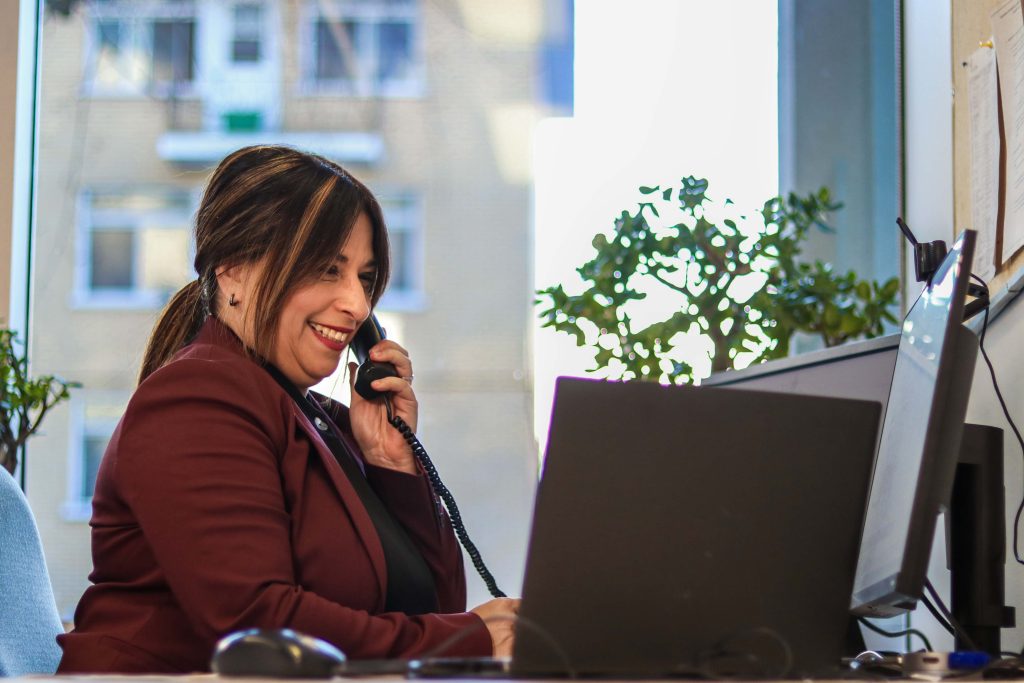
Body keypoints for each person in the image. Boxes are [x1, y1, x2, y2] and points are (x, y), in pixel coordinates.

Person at [57, 145, 519, 673]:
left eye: (364, 278)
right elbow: (258, 624)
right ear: (231, 270)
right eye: (327, 269)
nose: (358, 305)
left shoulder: (326, 422)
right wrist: (470, 639)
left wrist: (395, 467)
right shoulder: (197, 397)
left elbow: (432, 610)